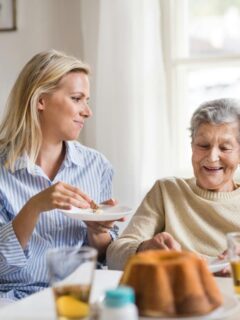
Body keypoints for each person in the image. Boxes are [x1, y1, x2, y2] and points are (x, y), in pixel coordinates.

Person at [0, 49, 120, 300]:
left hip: (80, 296)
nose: (87, 111)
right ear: (41, 100)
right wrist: (34, 207)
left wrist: (98, 231)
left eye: (87, 100)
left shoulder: (96, 166)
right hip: (12, 301)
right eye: (77, 99)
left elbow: (103, 256)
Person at [107, 98, 240, 270]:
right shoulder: (166, 191)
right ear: (192, 146)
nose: (212, 157)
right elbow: (113, 255)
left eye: (225, 148)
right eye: (203, 145)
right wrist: (143, 249)